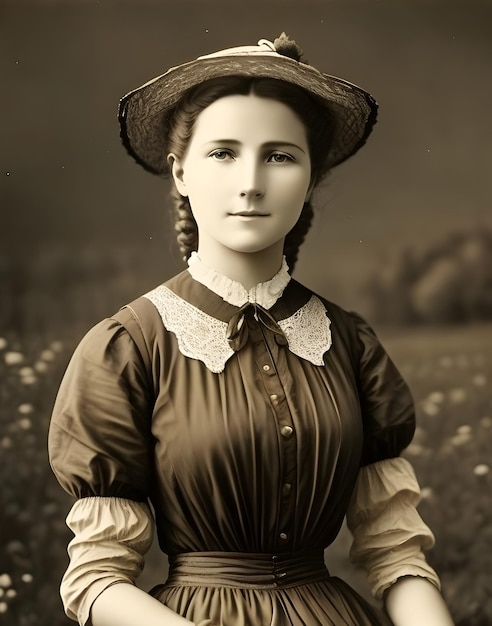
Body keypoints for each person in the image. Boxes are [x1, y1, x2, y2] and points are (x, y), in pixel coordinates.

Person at [48, 34, 455, 626]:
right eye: (223, 153)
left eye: (280, 155)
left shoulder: (350, 341)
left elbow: (395, 550)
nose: (251, 181)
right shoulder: (128, 346)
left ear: (311, 178)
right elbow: (96, 577)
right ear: (180, 172)